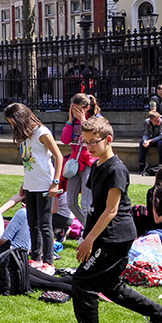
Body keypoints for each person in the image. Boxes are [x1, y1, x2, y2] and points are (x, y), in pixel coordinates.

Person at [61, 115, 162, 323]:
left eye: (94, 141)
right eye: (85, 142)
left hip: (115, 236)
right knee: (111, 286)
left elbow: (111, 210)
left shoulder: (117, 169)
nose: (89, 147)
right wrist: (87, 236)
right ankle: (161, 314)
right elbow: (94, 207)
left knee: (83, 282)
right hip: (107, 234)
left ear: (108, 139)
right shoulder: (96, 165)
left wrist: (90, 241)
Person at [4, 102, 63, 268]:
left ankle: (48, 261)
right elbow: (28, 163)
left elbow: (59, 156)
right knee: (32, 223)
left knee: (44, 225)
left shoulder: (42, 133)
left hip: (45, 184)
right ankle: (36, 258)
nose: (12, 125)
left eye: (12, 121)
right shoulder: (25, 135)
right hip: (30, 185)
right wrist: (24, 183)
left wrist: (55, 183)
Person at [61, 93, 99, 225]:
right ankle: (88, 230)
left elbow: (94, 136)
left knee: (86, 202)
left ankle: (90, 235)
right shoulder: (73, 121)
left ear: (87, 108)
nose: (75, 112)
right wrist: (70, 121)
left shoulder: (95, 119)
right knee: (70, 202)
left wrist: (83, 120)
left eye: (78, 109)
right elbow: (65, 140)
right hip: (75, 162)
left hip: (89, 161)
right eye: (73, 109)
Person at [139, 110, 162, 175]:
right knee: (142, 143)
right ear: (151, 120)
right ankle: (142, 164)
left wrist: (150, 141)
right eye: (156, 121)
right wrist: (145, 141)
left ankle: (161, 164)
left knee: (160, 143)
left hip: (160, 139)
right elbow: (146, 134)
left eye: (159, 120)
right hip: (151, 138)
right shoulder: (147, 122)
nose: (159, 121)